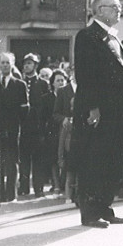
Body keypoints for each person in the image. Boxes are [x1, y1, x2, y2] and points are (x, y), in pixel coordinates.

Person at [72, 0, 123, 228]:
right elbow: (85, 75)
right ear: (100, 10)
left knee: (112, 161)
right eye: (115, 6)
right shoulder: (88, 36)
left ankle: (104, 207)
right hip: (100, 114)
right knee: (94, 160)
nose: (119, 9)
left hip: (117, 113)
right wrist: (93, 108)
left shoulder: (112, 37)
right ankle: (90, 212)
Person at [0, 52, 29, 202]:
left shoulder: (20, 85)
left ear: (12, 64)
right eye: (2, 62)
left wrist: (16, 122)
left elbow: (25, 109)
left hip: (12, 128)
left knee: (12, 161)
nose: (5, 65)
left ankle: (11, 194)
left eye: (7, 62)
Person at [19, 53, 49, 197]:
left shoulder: (43, 84)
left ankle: (38, 188)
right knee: (23, 159)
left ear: (36, 66)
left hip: (38, 128)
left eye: (30, 63)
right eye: (25, 63)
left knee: (38, 160)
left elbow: (46, 108)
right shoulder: (19, 82)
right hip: (23, 127)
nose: (26, 66)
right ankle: (23, 188)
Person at [41, 68, 69, 196]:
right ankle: (56, 184)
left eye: (62, 80)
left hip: (66, 130)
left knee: (65, 157)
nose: (60, 83)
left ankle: (63, 184)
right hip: (52, 131)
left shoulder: (69, 96)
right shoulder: (47, 98)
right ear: (52, 83)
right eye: (58, 80)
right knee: (53, 159)